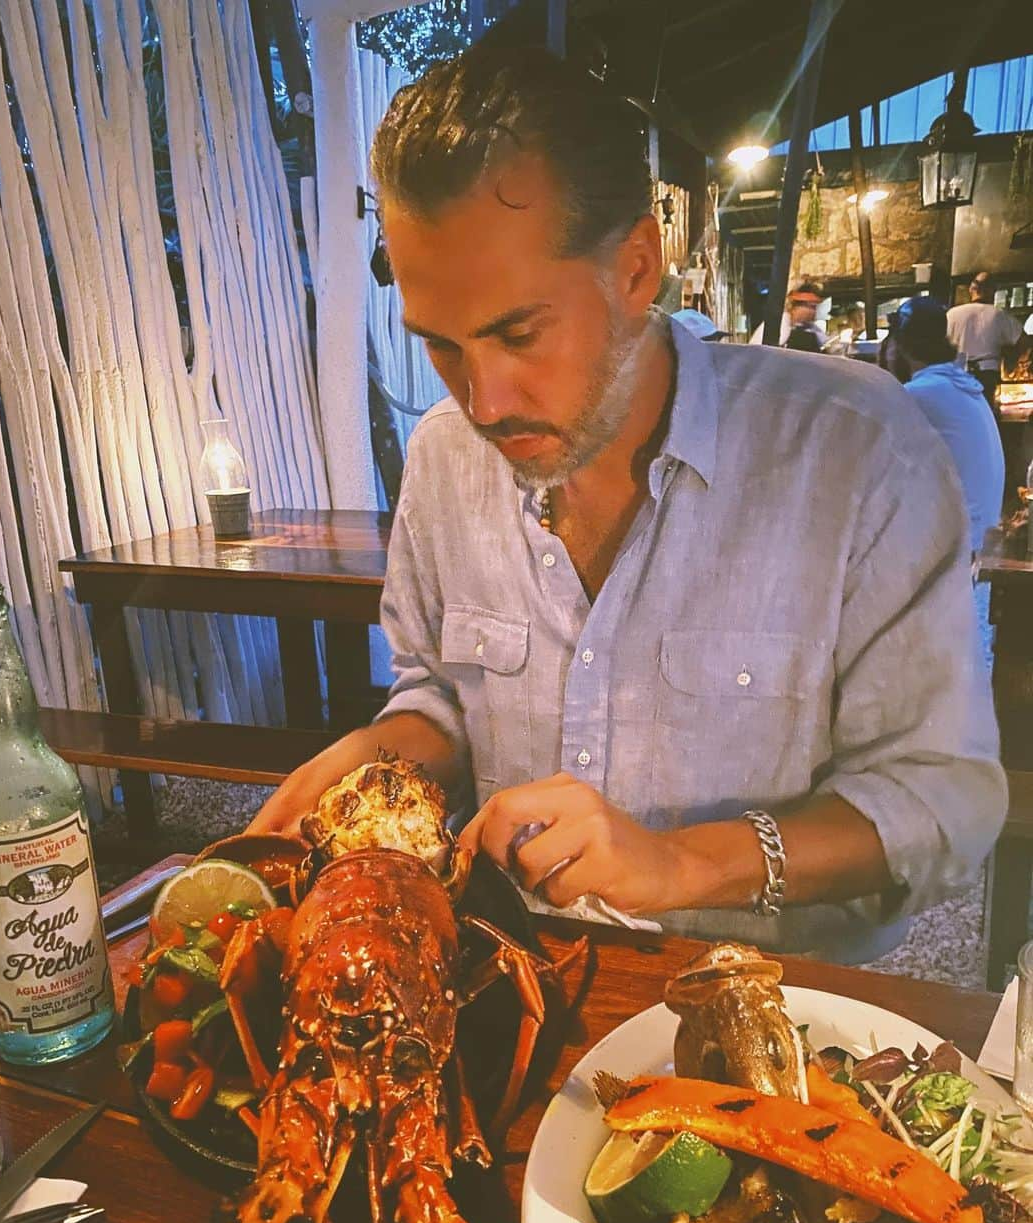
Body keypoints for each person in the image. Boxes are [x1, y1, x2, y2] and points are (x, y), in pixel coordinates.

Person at [250, 45, 1004, 963]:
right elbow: (444, 695)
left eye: (519, 334)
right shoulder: (445, 457)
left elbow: (940, 801)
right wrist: (385, 752)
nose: (483, 403)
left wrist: (679, 865)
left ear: (637, 269)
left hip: (775, 1015)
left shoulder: (854, 449)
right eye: (441, 347)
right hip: (516, 984)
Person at [881, 297, 1004, 555]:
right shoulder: (959, 385)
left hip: (955, 559)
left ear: (898, 347)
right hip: (976, 546)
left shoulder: (919, 394)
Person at [947, 272, 1024, 405]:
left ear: (971, 290)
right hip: (986, 375)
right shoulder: (999, 315)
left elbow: (938, 346)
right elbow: (1024, 341)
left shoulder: (951, 314)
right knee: (983, 412)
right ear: (992, 291)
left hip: (956, 373)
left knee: (958, 411)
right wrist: (1013, 361)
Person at [749, 282, 826, 350]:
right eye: (811, 307)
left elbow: (826, 343)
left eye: (815, 308)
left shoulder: (810, 327)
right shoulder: (780, 323)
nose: (814, 312)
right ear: (797, 306)